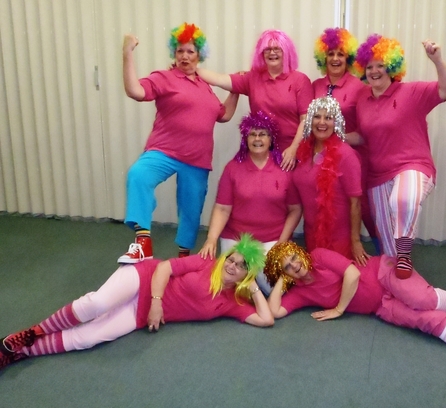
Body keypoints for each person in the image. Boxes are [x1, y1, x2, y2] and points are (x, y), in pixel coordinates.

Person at [0, 235, 273, 371]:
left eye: (241, 266)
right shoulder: (206, 263)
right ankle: (33, 332)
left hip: (139, 313)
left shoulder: (231, 302)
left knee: (88, 338)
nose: (232, 266)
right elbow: (165, 267)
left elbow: (266, 319)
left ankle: (22, 352)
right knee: (98, 304)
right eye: (231, 259)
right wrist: (157, 302)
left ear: (247, 274)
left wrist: (254, 289)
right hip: (144, 279)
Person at [264, 241, 446, 381]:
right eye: (287, 267)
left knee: (422, 298)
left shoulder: (319, 256)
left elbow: (353, 275)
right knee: (430, 321)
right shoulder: (301, 292)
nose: (295, 265)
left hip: (382, 273)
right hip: (381, 307)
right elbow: (275, 311)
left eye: (293, 257)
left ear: (299, 253)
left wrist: (338, 309)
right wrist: (281, 281)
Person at [118, 22, 239, 263]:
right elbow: (135, 91)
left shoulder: (205, 86)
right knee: (138, 175)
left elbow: (224, 114)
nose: (185, 56)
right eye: (180, 51)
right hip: (164, 151)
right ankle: (143, 242)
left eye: (190, 51)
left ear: (199, 55)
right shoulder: (164, 78)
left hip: (197, 159)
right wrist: (127, 53)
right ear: (174, 53)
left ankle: (184, 257)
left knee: (191, 208)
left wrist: (235, 89)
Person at [354, 34, 446, 278]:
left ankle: (405, 254)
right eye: (369, 67)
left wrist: (437, 60)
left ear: (392, 67)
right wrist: (335, 136)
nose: (374, 71)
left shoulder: (411, 92)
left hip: (412, 166)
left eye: (380, 65)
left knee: (403, 199)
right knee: (388, 251)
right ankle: (400, 283)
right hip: (378, 177)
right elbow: (364, 136)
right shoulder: (362, 99)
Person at [198, 111, 302, 295]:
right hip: (238, 238)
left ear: (271, 139)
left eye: (263, 134)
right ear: (245, 139)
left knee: (274, 289)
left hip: (273, 239)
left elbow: (295, 210)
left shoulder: (284, 168)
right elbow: (222, 209)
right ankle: (248, 278)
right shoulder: (232, 168)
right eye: (252, 134)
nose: (257, 139)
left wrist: (282, 242)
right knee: (225, 283)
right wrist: (211, 239)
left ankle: (251, 280)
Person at [197, 29, 314, 171]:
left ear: (286, 52)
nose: (272, 53)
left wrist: (293, 149)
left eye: (277, 49)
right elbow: (218, 79)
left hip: (292, 153)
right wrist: (190, 68)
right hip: (262, 152)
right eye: (267, 49)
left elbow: (306, 120)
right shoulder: (252, 78)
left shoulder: (300, 80)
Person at [312, 27, 379, 255]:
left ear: (348, 58)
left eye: (340, 54)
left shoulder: (359, 87)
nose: (335, 58)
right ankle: (328, 248)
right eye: (330, 54)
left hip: (352, 155)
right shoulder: (316, 86)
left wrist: (338, 138)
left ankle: (384, 251)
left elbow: (367, 128)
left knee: (363, 206)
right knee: (327, 203)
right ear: (323, 58)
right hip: (322, 156)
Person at [289, 96, 368, 266]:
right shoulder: (303, 152)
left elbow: (355, 203)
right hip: (311, 233)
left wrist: (355, 241)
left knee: (334, 278)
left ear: (336, 122)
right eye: (317, 116)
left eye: (328, 117)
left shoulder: (346, 155)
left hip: (338, 236)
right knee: (315, 274)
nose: (322, 122)